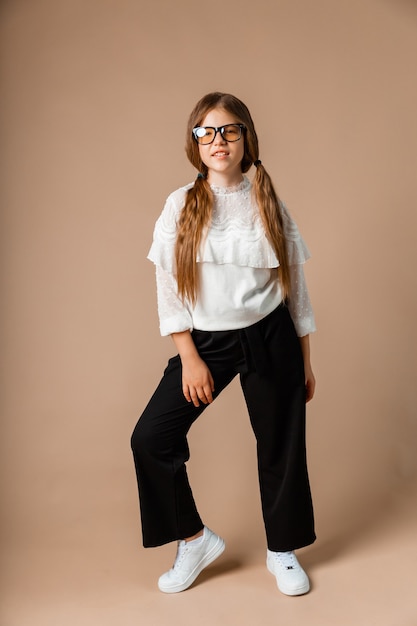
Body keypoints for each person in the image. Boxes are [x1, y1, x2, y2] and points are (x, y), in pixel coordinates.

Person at [131, 92, 317, 596]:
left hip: (271, 333)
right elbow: (168, 288)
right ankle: (192, 540)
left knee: (281, 443)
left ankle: (283, 550)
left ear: (246, 139)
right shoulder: (180, 204)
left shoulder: (267, 202)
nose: (219, 141)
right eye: (207, 132)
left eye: (230, 130)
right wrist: (188, 355)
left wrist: (304, 360)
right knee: (151, 438)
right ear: (195, 142)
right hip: (207, 341)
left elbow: (295, 289)